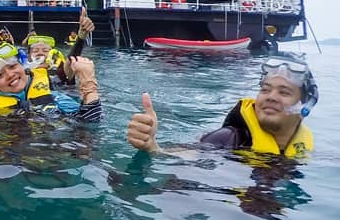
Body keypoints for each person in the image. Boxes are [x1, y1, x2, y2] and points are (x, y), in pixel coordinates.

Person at [127, 53, 316, 158]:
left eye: (284, 92)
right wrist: (153, 148)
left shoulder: (301, 146)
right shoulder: (228, 139)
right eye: (265, 90)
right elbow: (188, 157)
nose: (271, 97)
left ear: (305, 106)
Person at [0, 42, 102, 121]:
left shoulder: (55, 99)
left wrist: (88, 82)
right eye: (0, 75)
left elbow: (90, 123)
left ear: (23, 66)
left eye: (12, 66)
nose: (10, 75)